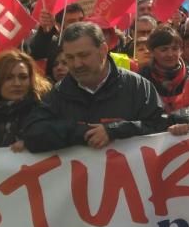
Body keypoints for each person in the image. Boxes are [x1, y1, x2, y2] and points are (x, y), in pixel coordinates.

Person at [21, 21, 168, 152]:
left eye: (84, 55)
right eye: (70, 58)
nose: (77, 64)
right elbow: (33, 132)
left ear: (103, 50)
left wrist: (115, 130)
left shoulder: (137, 87)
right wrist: (82, 132)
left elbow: (160, 125)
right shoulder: (59, 93)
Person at [139, 26, 189, 115]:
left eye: (175, 49)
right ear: (152, 51)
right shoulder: (142, 80)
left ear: (181, 50)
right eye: (164, 49)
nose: (170, 54)